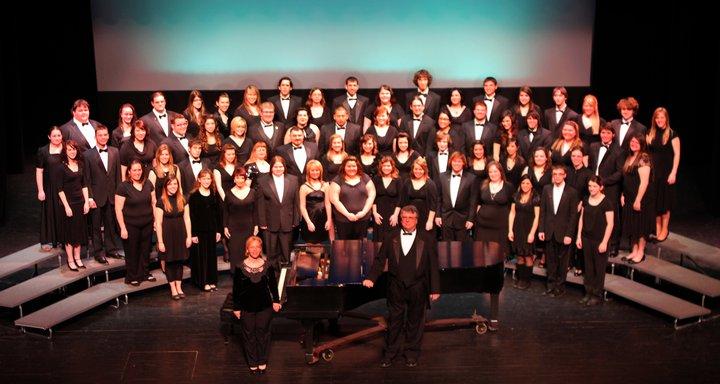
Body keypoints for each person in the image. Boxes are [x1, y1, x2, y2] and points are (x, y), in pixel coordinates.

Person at [362, 205, 440, 368]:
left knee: (415, 322)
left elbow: (433, 265)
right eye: (403, 217)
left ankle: (411, 354)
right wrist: (371, 278)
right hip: (396, 285)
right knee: (395, 321)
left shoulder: (427, 238)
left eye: (410, 218)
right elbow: (380, 259)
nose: (406, 221)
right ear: (400, 219)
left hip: (418, 286)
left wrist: (435, 288)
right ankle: (390, 353)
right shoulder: (391, 236)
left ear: (417, 220)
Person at [232, 236, 282, 374]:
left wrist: (276, 301)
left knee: (263, 334)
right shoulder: (239, 267)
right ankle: (253, 362)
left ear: (261, 249)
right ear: (247, 249)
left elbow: (273, 286)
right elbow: (236, 290)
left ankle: (262, 361)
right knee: (249, 335)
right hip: (246, 307)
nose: (255, 250)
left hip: (264, 306)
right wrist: (236, 307)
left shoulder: (268, 266)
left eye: (257, 247)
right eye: (252, 247)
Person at [473, 161, 513, 329]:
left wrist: (510, 230)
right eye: (490, 171)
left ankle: (494, 312)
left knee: (496, 265)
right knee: (482, 261)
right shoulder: (483, 185)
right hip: (482, 229)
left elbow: (513, 209)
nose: (493, 173)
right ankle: (483, 287)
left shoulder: (508, 187)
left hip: (499, 231)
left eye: (495, 171)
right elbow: (478, 204)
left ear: (500, 172)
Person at [538, 165, 579, 297]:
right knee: (550, 261)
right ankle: (550, 286)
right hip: (549, 231)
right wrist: (541, 229)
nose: (557, 176)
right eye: (554, 174)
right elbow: (543, 211)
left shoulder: (572, 192)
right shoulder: (546, 189)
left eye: (560, 174)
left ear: (565, 175)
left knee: (563, 262)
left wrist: (569, 234)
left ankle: (560, 288)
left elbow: (573, 215)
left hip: (564, 233)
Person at [84, 124, 122, 264]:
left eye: (105, 134)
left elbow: (118, 176)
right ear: (95, 137)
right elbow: (86, 179)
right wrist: (89, 197)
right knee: (96, 226)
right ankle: (98, 252)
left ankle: (111, 250)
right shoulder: (87, 155)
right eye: (100, 135)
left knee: (110, 224)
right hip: (96, 196)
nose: (103, 137)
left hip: (111, 195)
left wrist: (119, 195)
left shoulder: (115, 152)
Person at [115, 160, 156, 286]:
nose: (137, 172)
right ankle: (132, 275)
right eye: (134, 170)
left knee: (145, 250)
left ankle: (144, 273)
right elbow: (118, 209)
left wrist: (154, 221)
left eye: (139, 170)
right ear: (129, 171)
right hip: (130, 224)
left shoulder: (148, 183)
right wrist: (122, 228)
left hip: (147, 223)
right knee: (132, 251)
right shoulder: (123, 186)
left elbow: (153, 203)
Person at [576, 176, 614, 306]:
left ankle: (596, 295)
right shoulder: (586, 199)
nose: (591, 188)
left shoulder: (607, 202)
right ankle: (588, 292)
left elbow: (610, 224)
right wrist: (579, 236)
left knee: (599, 268)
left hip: (599, 240)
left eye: (595, 186)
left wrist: (604, 242)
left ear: (601, 187)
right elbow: (581, 218)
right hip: (586, 238)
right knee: (589, 267)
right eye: (590, 186)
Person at [257, 156, 300, 268]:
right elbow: (260, 204)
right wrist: (262, 222)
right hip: (270, 222)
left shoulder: (293, 179)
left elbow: (296, 201)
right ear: (271, 167)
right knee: (271, 253)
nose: (278, 169)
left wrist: (296, 219)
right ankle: (273, 276)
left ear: (284, 167)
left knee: (286, 252)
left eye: (280, 166)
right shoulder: (262, 181)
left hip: (288, 220)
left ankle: (285, 277)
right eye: (275, 166)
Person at [588, 124, 624, 256]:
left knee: (612, 216)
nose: (605, 135)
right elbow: (591, 166)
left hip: (610, 188)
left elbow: (620, 173)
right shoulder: (593, 146)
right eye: (603, 132)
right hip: (593, 187)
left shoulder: (619, 150)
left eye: (608, 133)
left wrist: (603, 183)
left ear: (613, 135)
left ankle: (614, 245)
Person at [54, 140, 90, 271]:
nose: (72, 152)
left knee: (79, 231)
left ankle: (78, 258)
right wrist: (66, 206)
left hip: (80, 202)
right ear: (65, 151)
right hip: (68, 204)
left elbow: (84, 185)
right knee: (70, 233)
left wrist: (86, 202)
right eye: (69, 149)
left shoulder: (80, 164)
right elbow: (59, 189)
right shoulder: (61, 168)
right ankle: (70, 260)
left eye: (74, 149)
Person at [154, 176, 191, 299]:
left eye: (175, 184)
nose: (173, 186)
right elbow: (158, 223)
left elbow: (187, 219)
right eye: (170, 184)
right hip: (167, 236)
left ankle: (179, 287)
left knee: (179, 261)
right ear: (165, 186)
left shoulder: (183, 199)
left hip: (181, 234)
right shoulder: (161, 201)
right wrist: (160, 242)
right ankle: (173, 288)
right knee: (170, 262)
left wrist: (189, 236)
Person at [647, 107, 680, 242]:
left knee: (665, 202)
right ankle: (657, 227)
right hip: (654, 173)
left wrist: (673, 172)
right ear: (654, 119)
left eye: (662, 117)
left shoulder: (672, 134)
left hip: (666, 173)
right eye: (657, 117)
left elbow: (677, 154)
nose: (659, 120)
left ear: (666, 118)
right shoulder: (650, 133)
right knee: (656, 202)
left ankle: (664, 229)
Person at [621, 134, 654, 264]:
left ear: (641, 144)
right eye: (632, 141)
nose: (633, 144)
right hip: (629, 197)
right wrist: (623, 194)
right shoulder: (630, 157)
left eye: (636, 142)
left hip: (640, 198)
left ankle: (641, 252)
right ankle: (634, 250)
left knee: (640, 225)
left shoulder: (643, 158)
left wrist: (638, 199)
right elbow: (627, 179)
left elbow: (644, 182)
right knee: (632, 225)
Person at [189, 170, 223, 291]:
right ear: (199, 180)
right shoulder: (194, 196)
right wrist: (193, 234)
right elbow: (191, 217)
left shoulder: (214, 194)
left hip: (211, 230)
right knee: (201, 258)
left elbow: (218, 214)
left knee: (211, 257)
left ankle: (211, 280)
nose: (206, 181)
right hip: (199, 232)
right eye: (204, 178)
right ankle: (202, 282)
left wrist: (218, 231)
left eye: (209, 178)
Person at [329, 156, 376, 240]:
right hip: (343, 220)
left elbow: (372, 195)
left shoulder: (365, 177)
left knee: (361, 246)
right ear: (344, 167)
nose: (351, 168)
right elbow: (334, 200)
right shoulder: (337, 180)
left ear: (357, 166)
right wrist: (347, 214)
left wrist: (363, 212)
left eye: (354, 166)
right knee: (344, 246)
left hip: (363, 219)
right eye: (349, 166)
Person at [435, 152, 477, 241]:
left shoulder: (471, 178)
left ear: (463, 163)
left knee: (462, 249)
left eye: (459, 161)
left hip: (463, 220)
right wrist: (438, 215)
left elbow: (473, 201)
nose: (456, 163)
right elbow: (439, 198)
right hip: (446, 218)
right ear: (450, 162)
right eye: (454, 161)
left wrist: (471, 219)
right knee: (447, 248)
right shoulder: (442, 176)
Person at [508, 175, 540, 290]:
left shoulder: (535, 197)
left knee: (527, 256)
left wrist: (532, 233)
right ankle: (521, 278)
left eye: (527, 183)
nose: (525, 185)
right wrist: (510, 230)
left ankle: (527, 280)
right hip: (517, 229)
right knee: (519, 255)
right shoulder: (516, 196)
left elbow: (537, 217)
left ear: (531, 184)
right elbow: (512, 213)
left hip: (528, 230)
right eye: (523, 183)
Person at [36, 126, 65, 251]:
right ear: (49, 137)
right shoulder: (43, 151)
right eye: (54, 135)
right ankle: (48, 240)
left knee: (63, 213)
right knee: (49, 212)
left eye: (59, 135)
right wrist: (40, 190)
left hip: (64, 187)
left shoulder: (67, 148)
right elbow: (39, 171)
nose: (57, 138)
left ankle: (62, 239)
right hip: (49, 187)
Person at [224, 167, 259, 267]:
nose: (240, 180)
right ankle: (236, 276)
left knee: (249, 250)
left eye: (242, 178)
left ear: (245, 179)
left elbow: (255, 211)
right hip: (234, 228)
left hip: (249, 227)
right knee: (235, 253)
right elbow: (225, 212)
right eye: (237, 177)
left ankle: (249, 275)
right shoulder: (229, 193)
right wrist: (225, 226)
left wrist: (256, 225)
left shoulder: (252, 192)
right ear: (234, 179)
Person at [399, 158, 438, 233]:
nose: (418, 171)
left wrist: (430, 221)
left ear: (425, 170)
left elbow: (433, 205)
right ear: (413, 169)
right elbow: (402, 202)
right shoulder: (407, 182)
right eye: (416, 169)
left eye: (420, 169)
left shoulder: (430, 184)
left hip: (425, 218)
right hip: (410, 219)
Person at [299, 160, 332, 244]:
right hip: (310, 218)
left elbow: (328, 204)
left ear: (320, 171)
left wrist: (329, 220)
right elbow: (302, 206)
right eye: (312, 170)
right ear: (308, 172)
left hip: (322, 218)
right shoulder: (304, 187)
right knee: (310, 243)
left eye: (317, 170)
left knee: (322, 243)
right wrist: (308, 222)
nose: (315, 172)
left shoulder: (325, 185)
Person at [372, 156, 401, 236]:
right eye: (384, 166)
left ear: (392, 167)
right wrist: (375, 213)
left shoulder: (397, 180)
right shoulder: (376, 179)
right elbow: (373, 197)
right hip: (379, 214)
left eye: (388, 166)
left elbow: (400, 199)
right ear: (381, 167)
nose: (386, 168)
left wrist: (395, 215)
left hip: (393, 213)